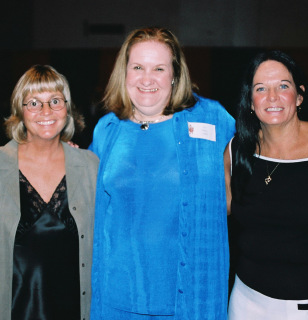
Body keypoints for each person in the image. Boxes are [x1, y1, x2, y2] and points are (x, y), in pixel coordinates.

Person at [89, 27, 236, 319]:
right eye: (138, 67)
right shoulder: (107, 131)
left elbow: (255, 169)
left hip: (189, 298)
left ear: (175, 74)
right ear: (125, 73)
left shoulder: (213, 119)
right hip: (117, 297)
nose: (147, 79)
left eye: (159, 68)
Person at [225, 50, 308, 319]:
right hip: (247, 303)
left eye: (283, 86)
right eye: (260, 88)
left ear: (299, 95)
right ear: (250, 100)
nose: (272, 97)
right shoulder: (237, 150)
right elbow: (214, 211)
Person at [0, 65, 99, 320]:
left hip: (75, 311)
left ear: (67, 108)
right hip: (10, 311)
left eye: (55, 101)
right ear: (19, 110)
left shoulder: (91, 167)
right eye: (34, 103)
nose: (46, 111)